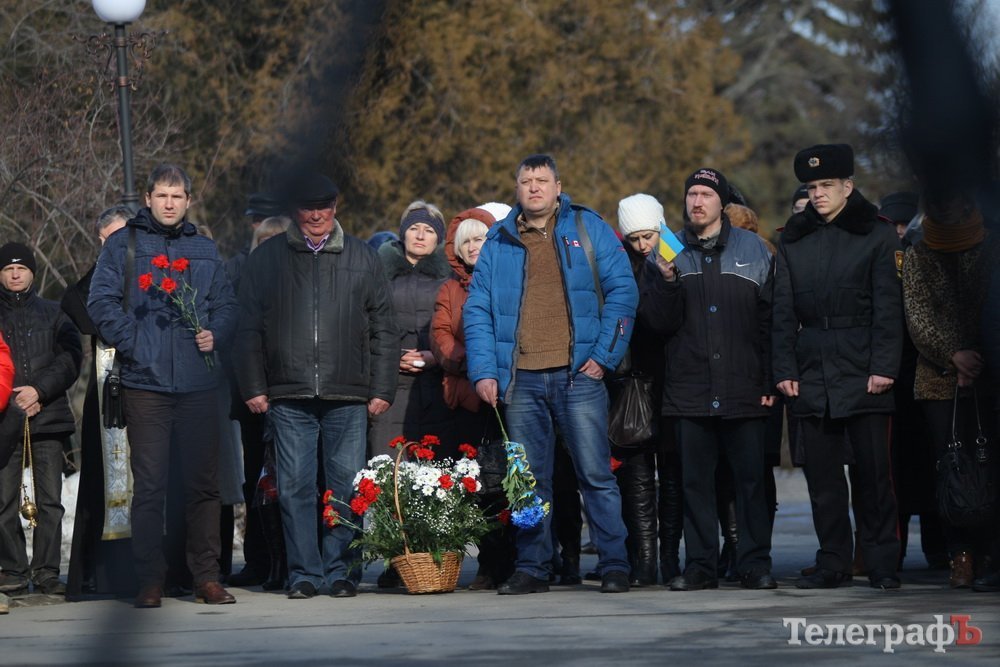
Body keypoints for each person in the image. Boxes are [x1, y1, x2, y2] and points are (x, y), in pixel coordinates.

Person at [464, 153, 638, 595]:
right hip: (521, 381)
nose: (534, 188)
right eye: (526, 181)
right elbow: (477, 309)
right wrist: (484, 371)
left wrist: (604, 356)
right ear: (517, 189)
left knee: (595, 475)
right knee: (529, 482)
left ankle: (615, 564)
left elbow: (623, 291)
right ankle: (532, 568)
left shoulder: (588, 227)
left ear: (558, 187)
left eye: (542, 180)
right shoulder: (499, 240)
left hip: (580, 377)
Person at [236, 172, 398, 600]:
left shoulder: (364, 257)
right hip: (287, 393)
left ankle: (342, 571)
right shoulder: (267, 259)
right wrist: (254, 385)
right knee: (294, 488)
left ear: (335, 206)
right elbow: (247, 329)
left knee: (346, 487)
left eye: (323, 206)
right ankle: (303, 573)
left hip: (349, 393)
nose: (315, 214)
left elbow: (384, 328)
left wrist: (382, 388)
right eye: (307, 207)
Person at [88, 164, 239, 608]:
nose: (169, 203)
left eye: (177, 196)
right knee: (151, 486)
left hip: (198, 385)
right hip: (145, 385)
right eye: (162, 195)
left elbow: (227, 305)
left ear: (188, 201)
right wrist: (135, 343)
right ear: (148, 198)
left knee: (203, 486)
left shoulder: (204, 248)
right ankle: (150, 580)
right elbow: (100, 301)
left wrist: (216, 332)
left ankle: (206, 577)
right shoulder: (123, 244)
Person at [637, 170, 777, 592]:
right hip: (690, 386)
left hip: (745, 385)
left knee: (751, 482)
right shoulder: (667, 246)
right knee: (695, 484)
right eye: (691, 194)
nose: (697, 202)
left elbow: (772, 321)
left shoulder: (754, 247)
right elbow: (656, 323)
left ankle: (754, 564)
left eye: (706, 194)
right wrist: (666, 282)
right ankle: (700, 566)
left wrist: (770, 379)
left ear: (721, 202)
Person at [772, 144, 903, 590]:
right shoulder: (793, 238)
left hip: (865, 370)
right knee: (823, 481)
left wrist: (884, 366)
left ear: (848, 186)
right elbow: (782, 312)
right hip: (812, 371)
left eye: (827, 185)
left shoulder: (878, 235)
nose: (818, 194)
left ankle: (882, 563)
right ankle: (833, 562)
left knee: (874, 477)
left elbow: (889, 309)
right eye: (812, 187)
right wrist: (784, 368)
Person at [901, 187, 1000, 588]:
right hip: (938, 378)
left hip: (988, 373)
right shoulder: (919, 253)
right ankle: (960, 554)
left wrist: (978, 357)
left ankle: (991, 553)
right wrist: (953, 355)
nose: (946, 206)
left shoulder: (991, 247)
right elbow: (918, 315)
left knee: (990, 466)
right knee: (950, 469)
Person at [431, 204, 515, 590]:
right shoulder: (449, 290)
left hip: (509, 394)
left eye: (480, 238)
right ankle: (488, 562)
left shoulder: (509, 279)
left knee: (510, 482)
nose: (474, 247)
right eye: (466, 242)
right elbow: (440, 337)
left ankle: (519, 557)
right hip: (467, 396)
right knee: (477, 484)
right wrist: (473, 363)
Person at [62, 205, 137, 599]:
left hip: (147, 387)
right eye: (111, 239)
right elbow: (76, 307)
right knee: (100, 479)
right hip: (106, 389)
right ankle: (98, 572)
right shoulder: (96, 281)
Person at [0, 242, 83, 597]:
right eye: (8, 269)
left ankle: (47, 572)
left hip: (48, 417)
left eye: (21, 268)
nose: (15, 275)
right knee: (3, 502)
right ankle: (13, 570)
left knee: (50, 501)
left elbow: (70, 358)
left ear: (32, 272)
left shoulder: (54, 312)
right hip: (4, 419)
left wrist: (38, 391)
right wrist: (14, 400)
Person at [612, 193, 684, 586]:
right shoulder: (619, 263)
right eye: (634, 238)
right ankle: (644, 558)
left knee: (673, 473)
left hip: (674, 377)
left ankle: (669, 557)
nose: (642, 245)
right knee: (636, 475)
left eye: (648, 236)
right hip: (633, 379)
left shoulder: (677, 253)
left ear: (661, 229)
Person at [369, 201, 453, 460]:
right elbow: (365, 325)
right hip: (389, 388)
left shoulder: (451, 277)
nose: (420, 236)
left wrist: (437, 356)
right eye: (414, 228)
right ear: (403, 233)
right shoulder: (376, 275)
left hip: (438, 388)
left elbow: (458, 328)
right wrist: (393, 357)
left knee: (436, 471)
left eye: (429, 230)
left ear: (438, 238)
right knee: (388, 468)